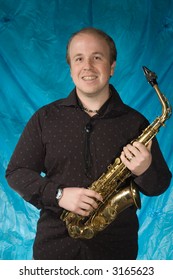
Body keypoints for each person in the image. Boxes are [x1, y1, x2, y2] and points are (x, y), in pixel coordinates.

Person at [5, 27, 172, 260]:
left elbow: (160, 184)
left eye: (97, 57)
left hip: (116, 253)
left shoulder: (136, 123)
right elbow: (16, 172)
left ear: (111, 67)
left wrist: (145, 170)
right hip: (54, 251)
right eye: (79, 58)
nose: (88, 66)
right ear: (71, 69)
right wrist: (59, 195)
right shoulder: (45, 118)